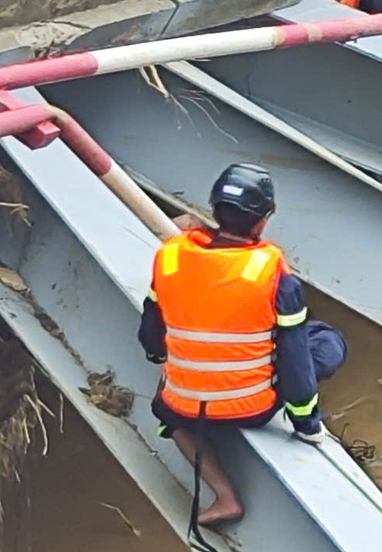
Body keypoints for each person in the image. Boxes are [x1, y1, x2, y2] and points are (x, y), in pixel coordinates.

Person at [139, 163, 347, 526]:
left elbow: (151, 332)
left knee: (168, 413)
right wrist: (307, 424)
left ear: (214, 210)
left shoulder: (170, 256)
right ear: (262, 221)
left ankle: (225, 495)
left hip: (183, 410)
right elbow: (295, 361)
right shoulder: (272, 274)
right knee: (325, 338)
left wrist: (162, 358)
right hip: (253, 407)